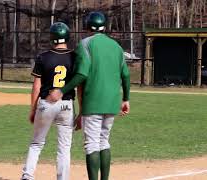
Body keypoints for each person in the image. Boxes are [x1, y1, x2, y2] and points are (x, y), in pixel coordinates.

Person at [47, 12, 131, 180]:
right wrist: (126, 99)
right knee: (104, 141)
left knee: (92, 144)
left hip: (93, 101)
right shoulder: (116, 46)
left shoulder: (85, 44)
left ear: (87, 27)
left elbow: (81, 75)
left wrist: (61, 90)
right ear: (105, 27)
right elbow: (126, 75)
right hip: (112, 101)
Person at [21, 22, 75, 180]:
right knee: (64, 148)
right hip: (66, 104)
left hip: (46, 104)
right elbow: (80, 85)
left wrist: (32, 109)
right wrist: (81, 112)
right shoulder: (74, 57)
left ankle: (27, 176)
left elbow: (36, 87)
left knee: (37, 143)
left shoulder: (43, 57)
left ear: (52, 38)